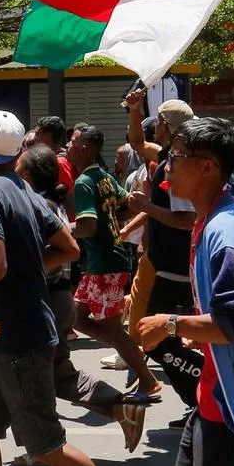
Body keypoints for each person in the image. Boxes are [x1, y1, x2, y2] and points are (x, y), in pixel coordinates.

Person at [136, 117, 234, 466]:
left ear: (206, 167)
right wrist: (207, 332)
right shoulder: (228, 212)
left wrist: (170, 324)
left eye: (175, 157)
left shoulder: (224, 233)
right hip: (219, 391)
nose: (166, 167)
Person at [0, 110, 103, 466]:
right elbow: (69, 249)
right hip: (2, 334)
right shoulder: (26, 192)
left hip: (17, 338)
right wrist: (29, 267)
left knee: (47, 445)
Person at [15, 144, 145, 464]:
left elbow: (46, 254)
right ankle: (120, 406)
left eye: (16, 169)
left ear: (28, 176)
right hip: (57, 299)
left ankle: (43, 448)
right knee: (58, 373)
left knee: (30, 379)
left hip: (43, 300)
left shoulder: (38, 206)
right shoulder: (50, 203)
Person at [121, 90, 205, 421]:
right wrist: (134, 109)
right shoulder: (168, 155)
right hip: (161, 262)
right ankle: (199, 402)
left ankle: (206, 393)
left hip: (174, 266)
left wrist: (147, 206)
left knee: (157, 339)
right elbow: (137, 142)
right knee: (153, 335)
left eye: (156, 122)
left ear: (167, 126)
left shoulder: (178, 165)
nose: (152, 127)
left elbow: (186, 220)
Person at [66, 124, 162, 400]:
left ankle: (148, 381)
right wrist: (116, 226)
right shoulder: (104, 177)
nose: (68, 146)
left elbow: (87, 227)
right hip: (104, 261)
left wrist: (56, 229)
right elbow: (128, 203)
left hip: (105, 263)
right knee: (78, 318)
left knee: (112, 327)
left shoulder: (84, 182)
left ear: (84, 149)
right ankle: (132, 352)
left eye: (72, 142)